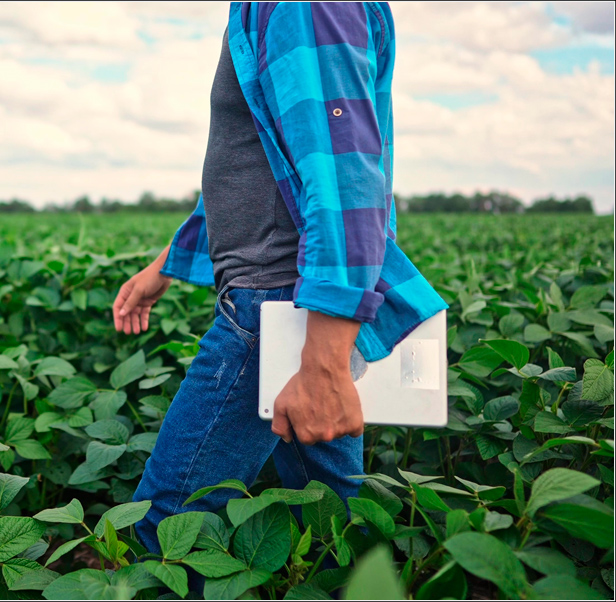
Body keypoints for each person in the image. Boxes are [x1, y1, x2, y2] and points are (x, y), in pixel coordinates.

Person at [111, 0, 448, 574]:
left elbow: (343, 180)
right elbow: (259, 167)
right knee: (333, 529)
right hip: (288, 306)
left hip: (280, 311)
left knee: (166, 533)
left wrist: (324, 363)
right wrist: (167, 264)